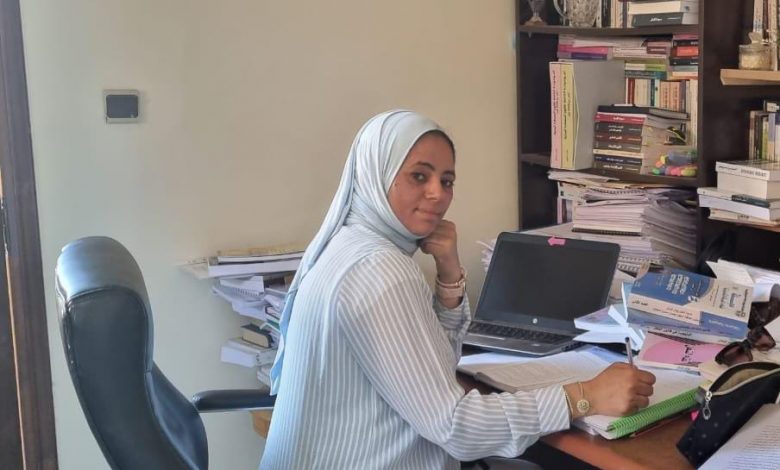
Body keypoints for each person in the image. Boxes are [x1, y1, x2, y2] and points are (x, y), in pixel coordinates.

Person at [260, 110, 655, 469]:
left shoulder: (348, 243)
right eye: (419, 176)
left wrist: (449, 274)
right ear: (376, 174)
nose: (438, 194)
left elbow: (438, 366)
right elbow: (456, 427)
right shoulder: (382, 271)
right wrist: (583, 395)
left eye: (446, 181)